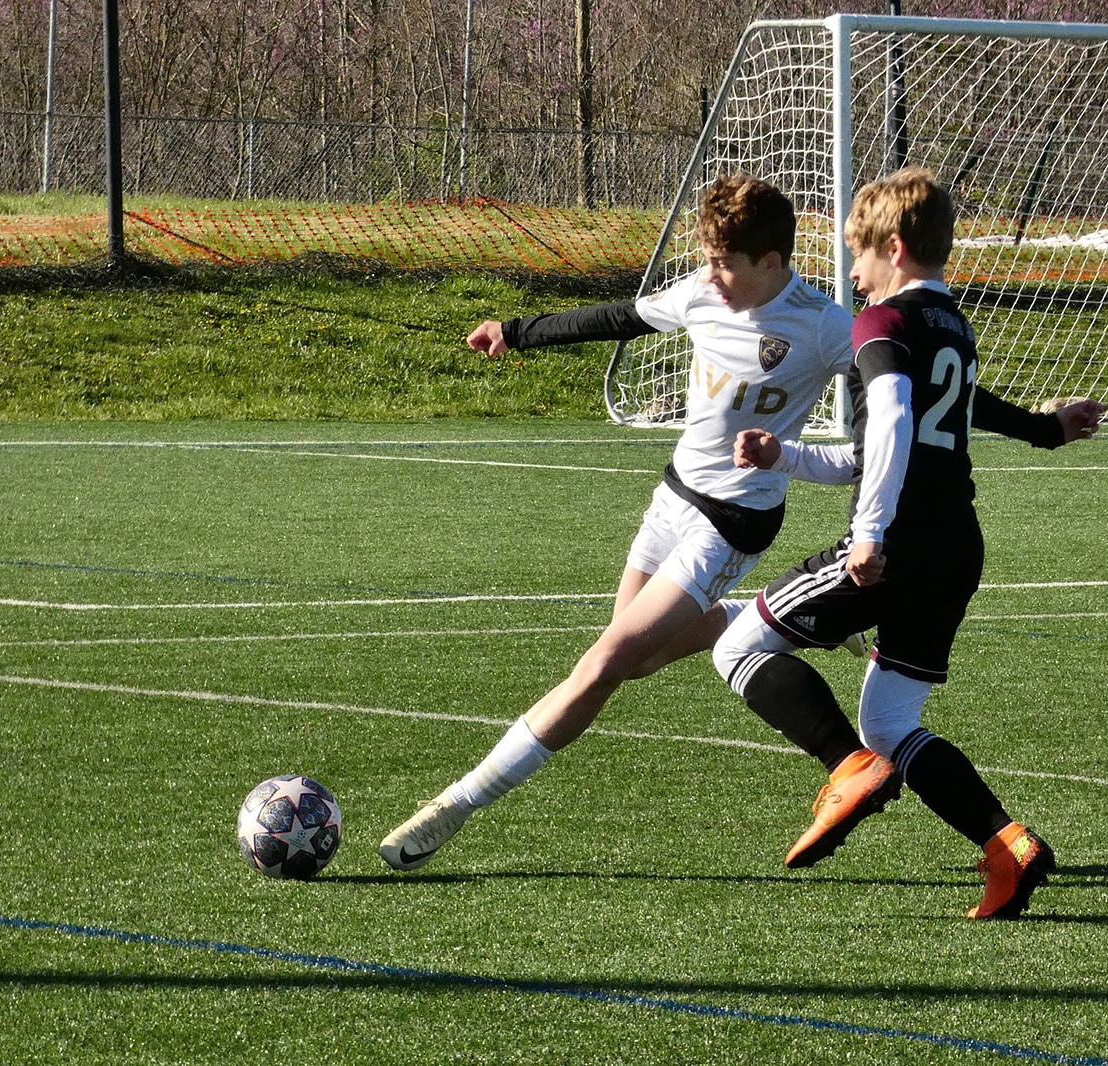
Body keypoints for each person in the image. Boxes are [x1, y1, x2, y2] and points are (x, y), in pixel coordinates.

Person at [379, 173, 891, 871]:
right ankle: (769, 617)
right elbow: (619, 317)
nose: (711, 278)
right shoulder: (701, 296)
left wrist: (1031, 423)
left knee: (603, 662)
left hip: (732, 524)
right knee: (640, 660)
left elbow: (899, 394)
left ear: (771, 263)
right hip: (672, 498)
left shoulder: (827, 329)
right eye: (707, 260)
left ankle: (457, 804)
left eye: (725, 265)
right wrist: (515, 332)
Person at [711, 167, 1105, 918]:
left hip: (898, 543)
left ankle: (848, 770)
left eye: (856, 256)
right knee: (892, 722)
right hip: (957, 546)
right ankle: (1006, 845)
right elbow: (882, 452)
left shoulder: (882, 324)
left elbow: (889, 422)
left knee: (739, 647)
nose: (851, 275)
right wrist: (785, 457)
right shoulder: (952, 327)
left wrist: (867, 534)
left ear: (893, 248)